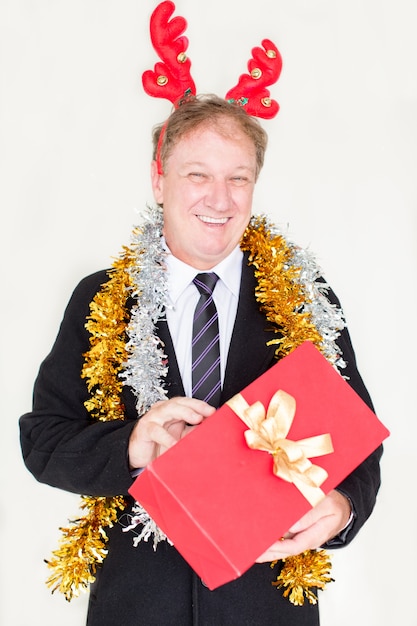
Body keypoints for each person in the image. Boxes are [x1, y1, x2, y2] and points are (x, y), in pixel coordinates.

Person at [19, 93, 382, 625]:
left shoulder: (304, 299)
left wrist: (344, 508)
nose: (220, 198)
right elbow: (43, 440)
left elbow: (359, 442)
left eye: (238, 178)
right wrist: (133, 445)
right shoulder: (102, 300)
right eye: (197, 175)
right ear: (158, 179)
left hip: (268, 607)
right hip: (138, 607)